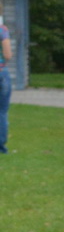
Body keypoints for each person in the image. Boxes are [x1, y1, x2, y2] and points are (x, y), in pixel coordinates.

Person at [0, 13, 12, 155]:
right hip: (1, 73)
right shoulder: (2, 30)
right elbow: (8, 54)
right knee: (2, 111)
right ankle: (1, 147)